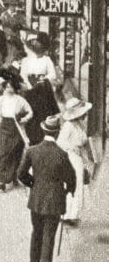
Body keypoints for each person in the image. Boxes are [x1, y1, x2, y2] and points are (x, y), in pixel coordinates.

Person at [17, 115, 76, 262]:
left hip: (36, 199)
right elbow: (70, 178)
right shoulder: (61, 154)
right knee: (49, 235)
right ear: (57, 133)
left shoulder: (32, 151)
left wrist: (33, 184)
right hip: (55, 201)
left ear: (43, 131)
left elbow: (21, 174)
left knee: (37, 231)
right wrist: (68, 191)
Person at [57, 96, 96, 224]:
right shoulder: (68, 126)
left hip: (78, 158)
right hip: (71, 158)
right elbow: (60, 142)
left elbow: (83, 141)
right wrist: (74, 148)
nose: (86, 115)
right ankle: (68, 214)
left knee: (79, 184)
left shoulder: (79, 125)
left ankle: (73, 213)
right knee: (73, 184)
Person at [0, 70, 33, 190]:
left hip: (17, 128)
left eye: (11, 86)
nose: (9, 89)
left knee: (16, 153)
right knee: (3, 153)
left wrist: (24, 119)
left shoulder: (20, 100)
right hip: (4, 126)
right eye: (7, 86)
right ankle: (0, 180)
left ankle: (13, 175)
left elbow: (30, 112)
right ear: (4, 87)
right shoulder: (0, 100)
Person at [20, 36, 60, 145]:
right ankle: (32, 136)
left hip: (43, 90)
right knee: (31, 112)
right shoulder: (26, 60)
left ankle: (42, 136)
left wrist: (43, 79)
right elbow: (23, 74)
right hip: (30, 89)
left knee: (43, 112)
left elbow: (52, 74)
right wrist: (29, 85)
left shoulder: (47, 60)